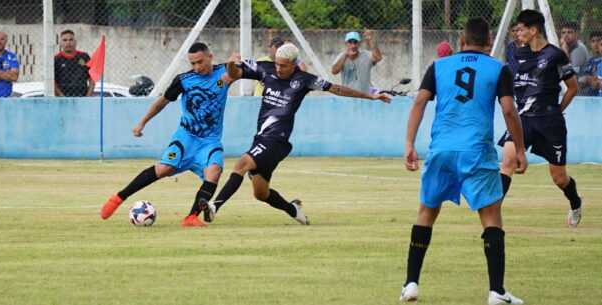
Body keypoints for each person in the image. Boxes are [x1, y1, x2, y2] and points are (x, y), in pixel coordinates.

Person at [399, 17, 527, 305]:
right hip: (476, 151)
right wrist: (519, 149)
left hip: (441, 149)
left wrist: (409, 144)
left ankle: (410, 284)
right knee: (491, 216)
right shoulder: (498, 68)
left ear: (461, 40)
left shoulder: (439, 66)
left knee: (426, 213)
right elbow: (508, 110)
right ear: (489, 39)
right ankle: (496, 291)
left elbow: (419, 102)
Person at [204, 44, 390, 224]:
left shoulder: (304, 80)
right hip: (261, 138)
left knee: (241, 164)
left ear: (294, 64)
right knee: (261, 194)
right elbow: (235, 74)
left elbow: (337, 89)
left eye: (284, 65)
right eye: (277, 63)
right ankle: (294, 210)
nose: (278, 68)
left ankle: (214, 206)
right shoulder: (265, 69)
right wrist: (231, 64)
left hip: (277, 140)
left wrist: (370, 96)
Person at [100, 42, 232, 227]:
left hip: (210, 141)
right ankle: (118, 198)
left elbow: (247, 71)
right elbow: (162, 102)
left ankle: (191, 217)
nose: (196, 67)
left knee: (214, 172)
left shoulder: (223, 74)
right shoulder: (184, 80)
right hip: (186, 137)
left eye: (200, 62)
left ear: (210, 56)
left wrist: (237, 62)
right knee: (164, 169)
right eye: (192, 63)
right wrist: (142, 122)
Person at [499, 10, 583, 228]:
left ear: (534, 30)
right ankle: (493, 211)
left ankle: (575, 202)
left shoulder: (556, 56)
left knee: (559, 177)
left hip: (549, 122)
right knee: (507, 160)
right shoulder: (515, 53)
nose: (517, 34)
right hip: (523, 119)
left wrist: (557, 109)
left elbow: (573, 88)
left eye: (521, 29)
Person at [54, 30, 94, 97]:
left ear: (75, 42)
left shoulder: (84, 57)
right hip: (63, 99)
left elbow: (92, 78)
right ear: (60, 43)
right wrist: (62, 96)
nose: (68, 42)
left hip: (82, 97)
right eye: (65, 40)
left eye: (71, 40)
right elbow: (53, 82)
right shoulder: (57, 59)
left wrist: (88, 96)